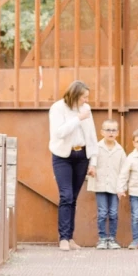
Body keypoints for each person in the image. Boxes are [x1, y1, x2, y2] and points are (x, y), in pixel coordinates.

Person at [49, 79, 96, 251]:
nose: (86, 101)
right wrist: (78, 119)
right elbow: (59, 133)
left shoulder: (86, 108)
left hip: (82, 156)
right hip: (63, 156)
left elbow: (91, 135)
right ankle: (63, 238)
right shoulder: (58, 108)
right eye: (84, 97)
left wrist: (93, 162)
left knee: (73, 198)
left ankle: (70, 238)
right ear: (75, 95)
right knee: (66, 196)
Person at [89, 117, 125, 249]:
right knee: (103, 212)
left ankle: (112, 239)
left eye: (114, 130)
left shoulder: (120, 151)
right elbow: (91, 162)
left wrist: (122, 187)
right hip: (100, 185)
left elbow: (124, 170)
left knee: (114, 213)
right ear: (102, 132)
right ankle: (102, 238)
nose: (111, 133)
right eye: (108, 130)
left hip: (115, 187)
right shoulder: (96, 148)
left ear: (117, 133)